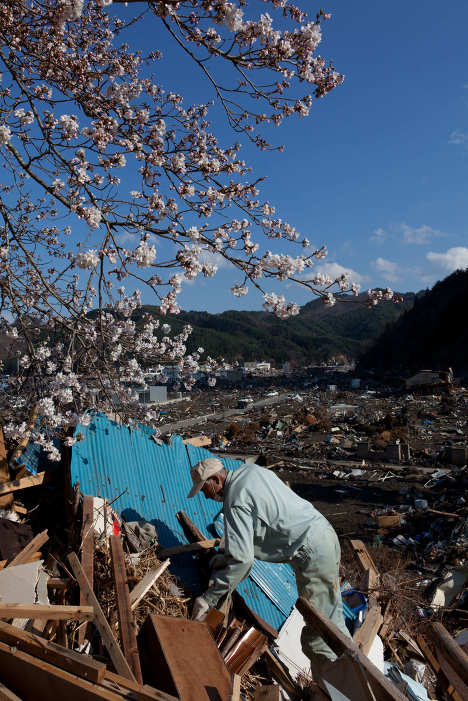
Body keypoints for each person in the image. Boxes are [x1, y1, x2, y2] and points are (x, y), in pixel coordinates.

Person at [187, 457, 350, 680]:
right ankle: (354, 677)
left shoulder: (235, 499)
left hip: (313, 553)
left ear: (216, 478)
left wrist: (208, 599)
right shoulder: (250, 472)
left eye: (205, 488)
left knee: (320, 638)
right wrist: (225, 556)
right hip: (323, 534)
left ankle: (341, 689)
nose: (206, 496)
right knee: (334, 625)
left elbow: (243, 561)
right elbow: (261, 522)